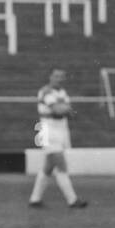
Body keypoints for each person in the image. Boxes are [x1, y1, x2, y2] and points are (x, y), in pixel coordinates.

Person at [28, 68, 87, 208]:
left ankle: (35, 199)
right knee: (61, 165)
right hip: (48, 130)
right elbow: (59, 110)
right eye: (56, 76)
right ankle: (72, 200)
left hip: (61, 130)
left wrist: (64, 109)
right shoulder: (45, 91)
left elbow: (68, 111)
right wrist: (65, 109)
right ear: (50, 77)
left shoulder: (62, 93)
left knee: (48, 167)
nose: (59, 79)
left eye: (62, 76)